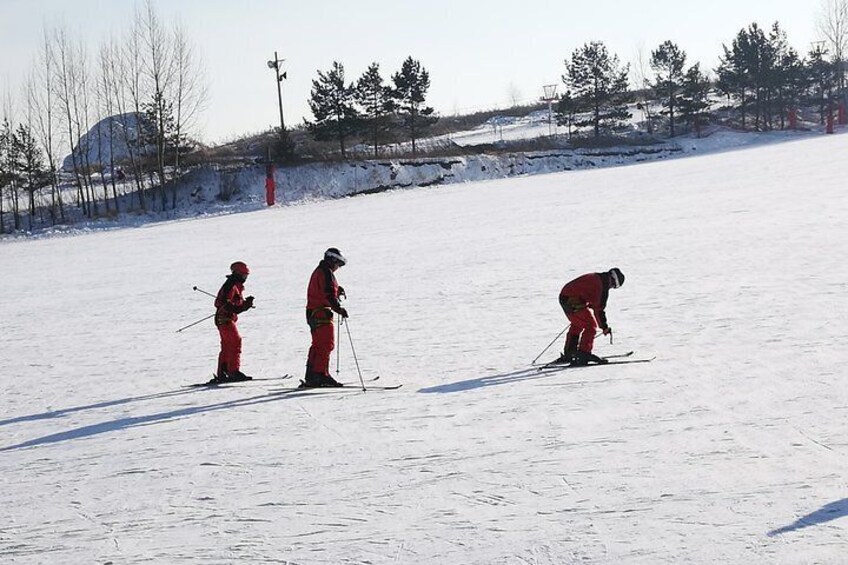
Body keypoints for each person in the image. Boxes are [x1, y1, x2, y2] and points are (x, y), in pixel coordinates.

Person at [557, 268, 625, 366]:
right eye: (614, 286)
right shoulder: (602, 286)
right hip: (572, 300)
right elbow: (599, 310)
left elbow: (589, 295)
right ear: (614, 281)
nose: (612, 288)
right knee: (591, 326)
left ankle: (570, 353)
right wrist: (604, 327)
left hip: (564, 297)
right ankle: (584, 354)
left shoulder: (598, 278)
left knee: (578, 324)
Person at [303, 248, 348, 387]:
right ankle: (321, 375)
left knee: (317, 345)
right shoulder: (326, 273)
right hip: (320, 312)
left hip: (312, 312)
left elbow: (325, 289)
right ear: (333, 260)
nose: (338, 268)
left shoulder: (321, 271)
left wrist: (337, 290)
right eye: (338, 264)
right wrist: (339, 309)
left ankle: (311, 375)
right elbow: (328, 294)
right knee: (326, 344)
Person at [212, 261, 255, 383]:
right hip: (225, 319)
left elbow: (232, 304)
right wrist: (245, 306)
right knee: (235, 342)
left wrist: (244, 304)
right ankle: (233, 372)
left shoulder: (233, 285)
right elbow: (229, 306)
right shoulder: (230, 285)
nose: (244, 279)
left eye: (246, 276)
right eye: (243, 276)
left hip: (224, 319)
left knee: (227, 345)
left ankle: (223, 372)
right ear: (237, 274)